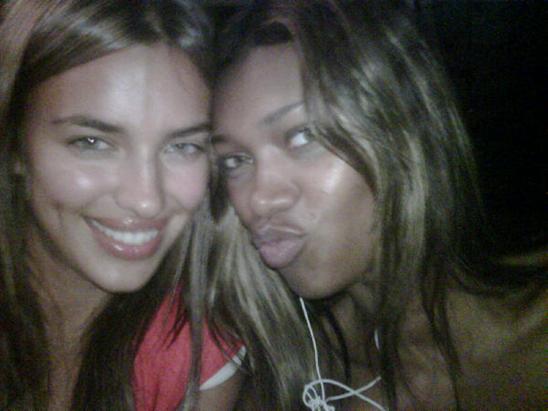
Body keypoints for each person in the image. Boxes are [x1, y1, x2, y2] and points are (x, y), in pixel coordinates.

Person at [209, 0, 547, 409]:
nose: (257, 200)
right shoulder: (288, 362)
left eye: (303, 136)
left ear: (403, 131)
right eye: (235, 161)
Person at [0, 1, 242, 410]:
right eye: (92, 142)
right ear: (15, 147)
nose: (146, 200)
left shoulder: (194, 353)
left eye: (183, 146)